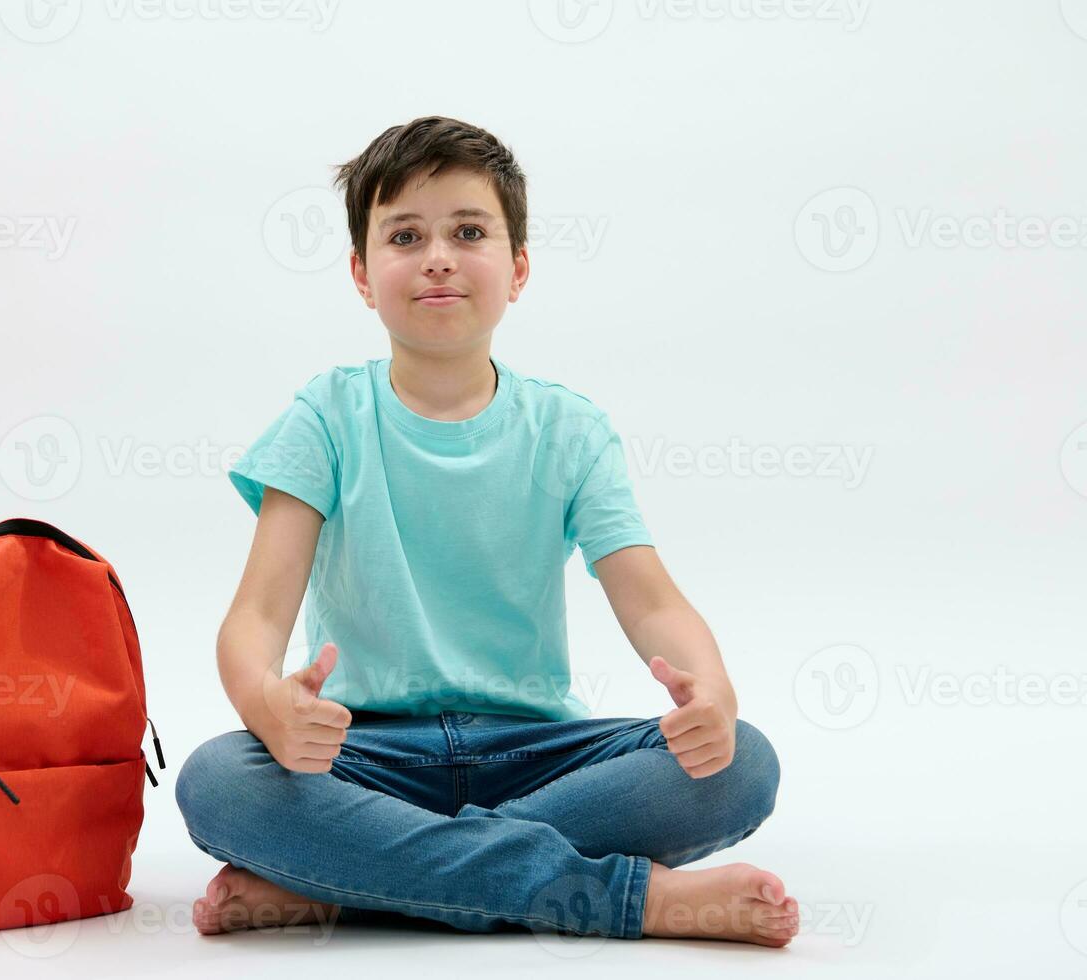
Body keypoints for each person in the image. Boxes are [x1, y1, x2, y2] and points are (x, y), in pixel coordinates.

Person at [174, 115, 799, 946]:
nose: (437, 255)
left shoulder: (569, 430)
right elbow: (256, 615)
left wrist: (711, 692)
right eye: (405, 235)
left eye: (468, 231)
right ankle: (627, 901)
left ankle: (353, 881)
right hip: (363, 755)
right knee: (219, 778)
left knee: (740, 761)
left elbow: (651, 600)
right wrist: (266, 702)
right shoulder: (324, 417)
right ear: (362, 274)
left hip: (538, 751)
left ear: (518, 267)